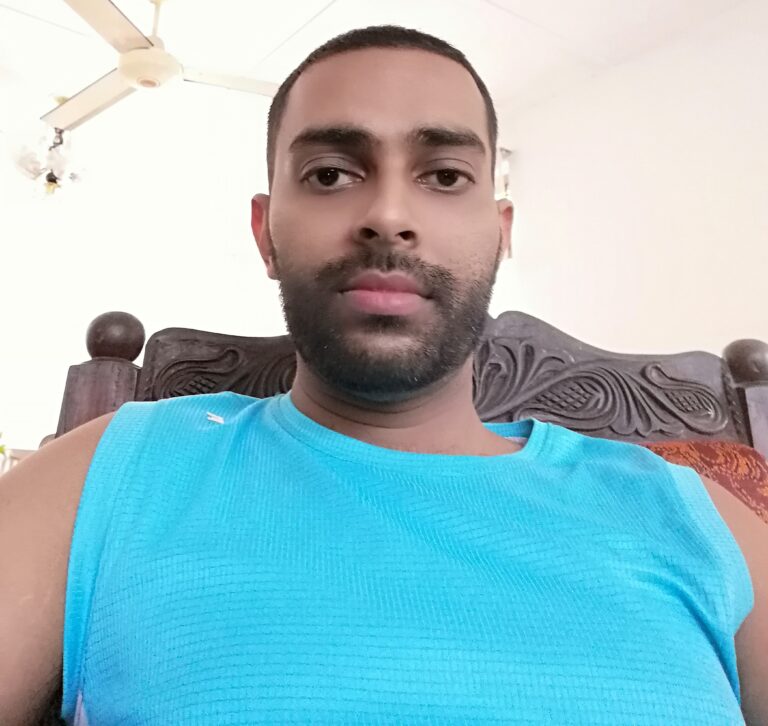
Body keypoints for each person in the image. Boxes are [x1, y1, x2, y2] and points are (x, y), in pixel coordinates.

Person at [1, 25, 766, 725]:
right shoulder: (112, 472)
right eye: (332, 173)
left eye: (445, 175)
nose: (389, 214)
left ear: (499, 235)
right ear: (266, 235)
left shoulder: (693, 514)